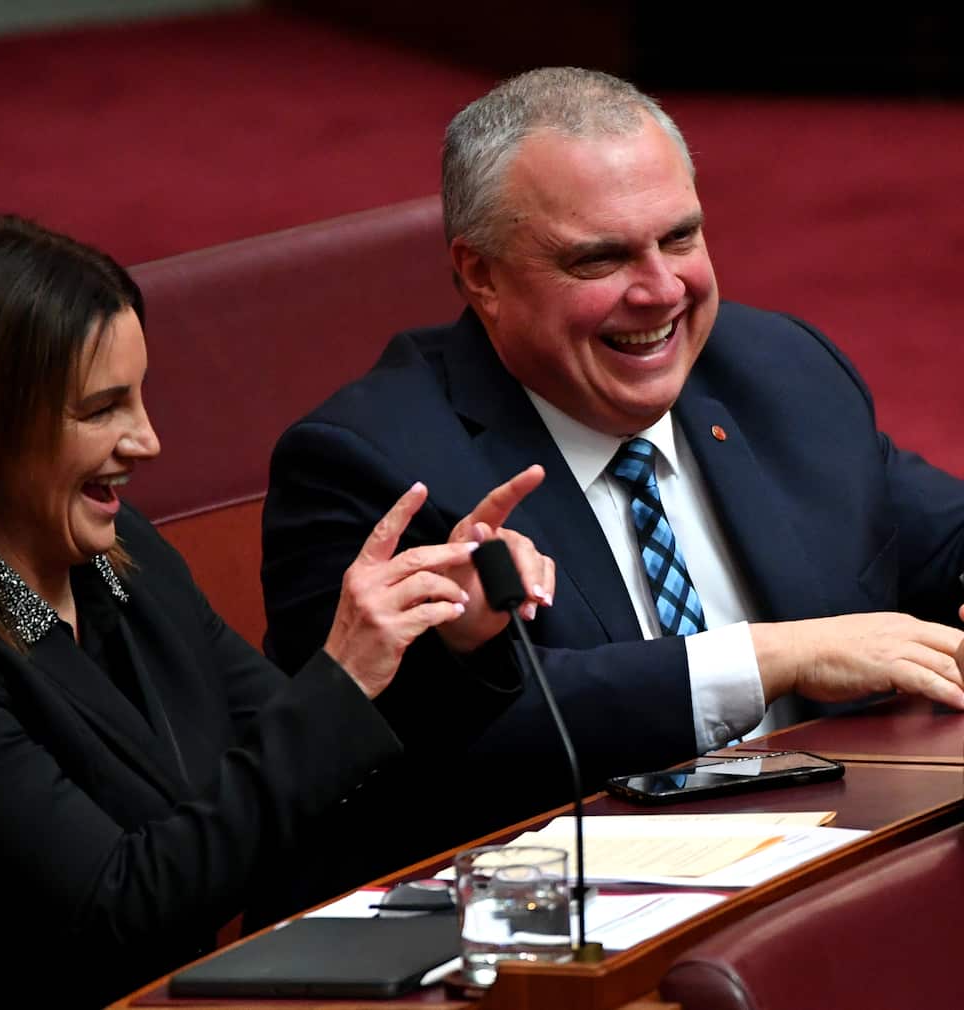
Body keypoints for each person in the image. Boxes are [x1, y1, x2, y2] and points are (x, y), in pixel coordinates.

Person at [0, 214, 555, 1009]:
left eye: (140, 397)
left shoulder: (123, 561)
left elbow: (325, 786)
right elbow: (114, 911)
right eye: (102, 409)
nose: (148, 440)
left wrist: (452, 640)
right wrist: (340, 673)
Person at [261, 67, 964, 877]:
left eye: (680, 238)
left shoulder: (779, 371)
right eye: (601, 259)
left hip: (840, 863)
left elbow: (934, 536)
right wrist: (769, 658)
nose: (662, 290)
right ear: (481, 274)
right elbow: (451, 743)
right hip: (554, 922)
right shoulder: (369, 463)